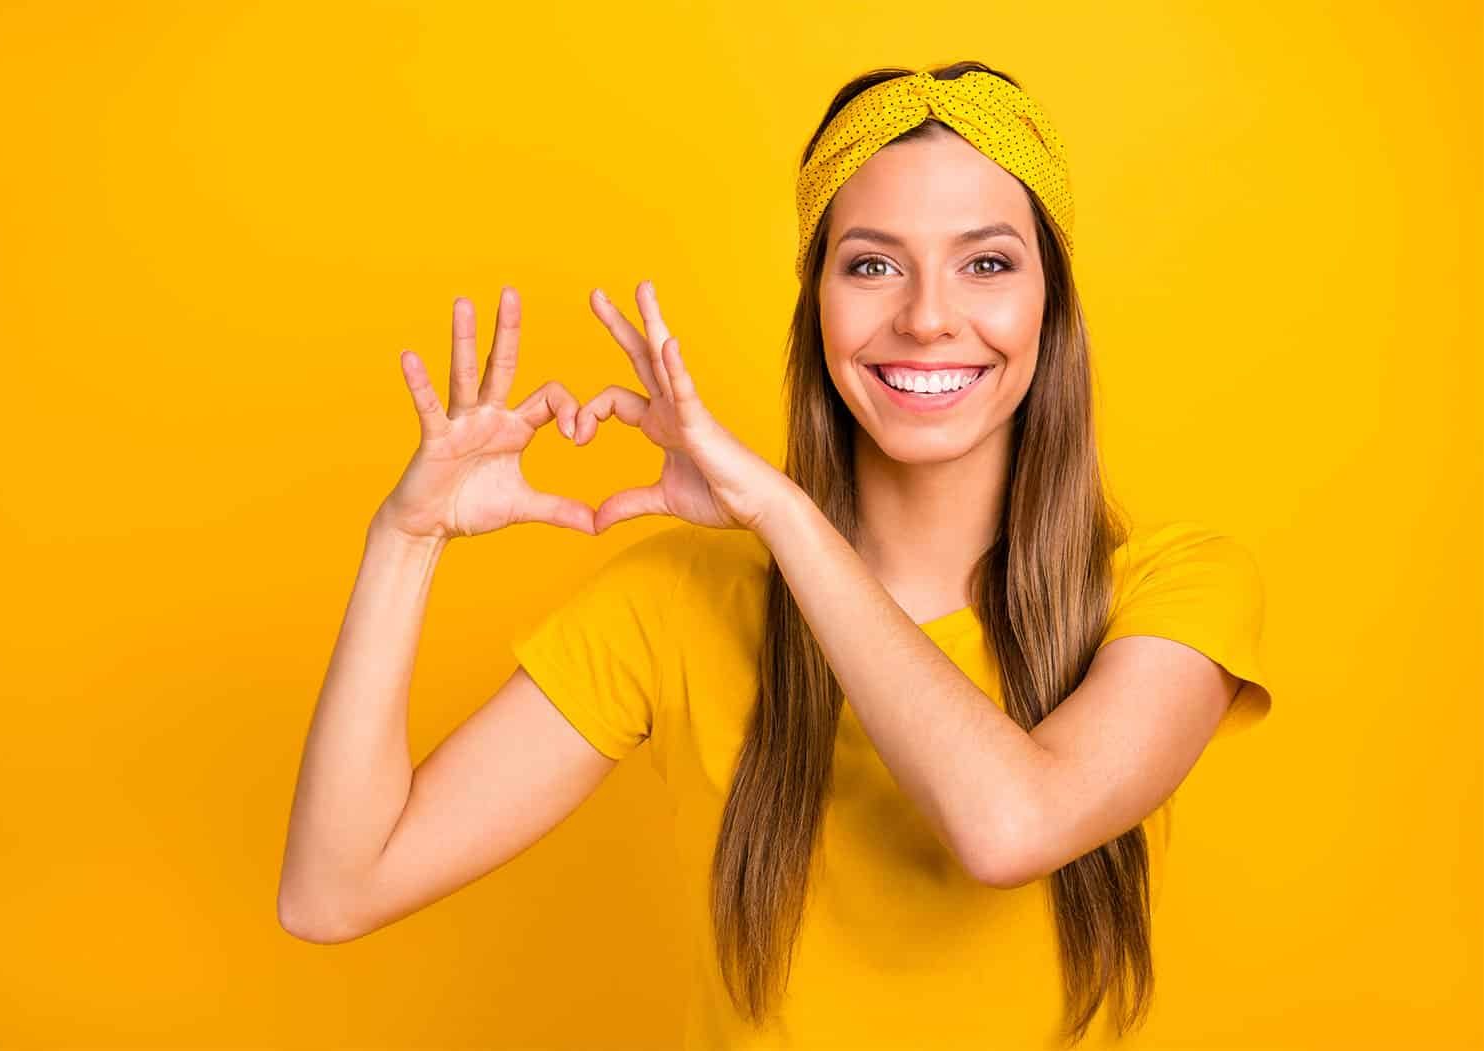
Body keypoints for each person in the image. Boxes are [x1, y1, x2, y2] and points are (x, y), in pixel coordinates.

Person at [277, 59, 1273, 1050]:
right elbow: (333, 889)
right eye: (871, 263)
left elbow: (1008, 827)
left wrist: (782, 514)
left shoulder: (1174, 591)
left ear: (1050, 307)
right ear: (817, 310)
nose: (926, 316)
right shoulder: (669, 603)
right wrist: (403, 542)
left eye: (986, 262)